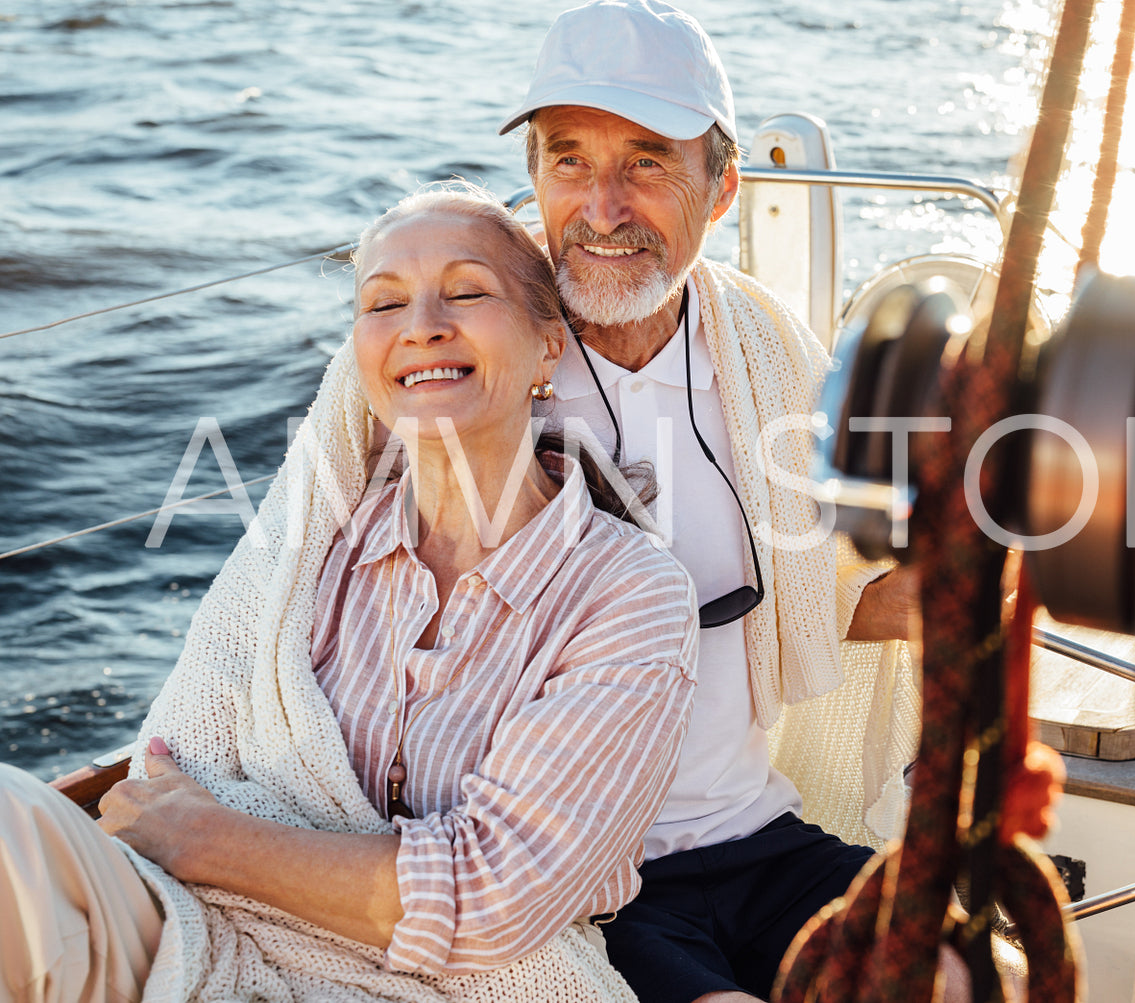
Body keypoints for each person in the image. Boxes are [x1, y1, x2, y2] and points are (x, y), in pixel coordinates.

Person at [0, 182, 700, 1003]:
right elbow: (173, 765)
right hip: (212, 928)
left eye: (467, 291)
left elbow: (494, 897)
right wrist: (197, 842)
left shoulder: (628, 593)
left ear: (550, 344)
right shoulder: (312, 541)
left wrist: (209, 839)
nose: (421, 324)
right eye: (383, 302)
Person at [499, 3, 1066, 1001]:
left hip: (755, 835)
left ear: (721, 192)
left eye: (643, 163)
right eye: (568, 162)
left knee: (982, 978)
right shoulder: (475, 347)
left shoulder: (758, 349)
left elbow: (816, 595)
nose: (599, 208)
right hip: (585, 879)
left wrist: (996, 560)